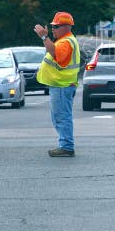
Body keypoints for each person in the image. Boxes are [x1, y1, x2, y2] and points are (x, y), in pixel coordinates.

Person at [34, 12, 81, 156]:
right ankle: (66, 145)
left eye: (56, 26)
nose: (53, 29)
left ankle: (66, 146)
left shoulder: (66, 41)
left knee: (61, 117)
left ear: (67, 27)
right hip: (62, 85)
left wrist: (44, 37)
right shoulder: (65, 40)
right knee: (60, 116)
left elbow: (55, 54)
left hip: (62, 86)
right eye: (53, 26)